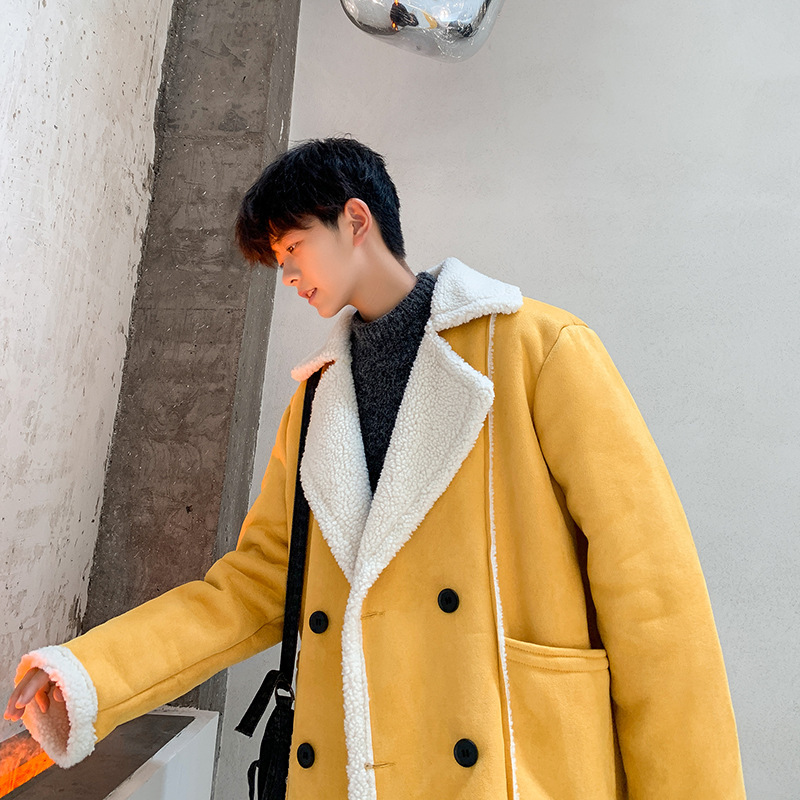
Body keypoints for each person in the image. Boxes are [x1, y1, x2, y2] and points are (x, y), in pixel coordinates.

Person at [5, 137, 746, 799]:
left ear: (356, 220)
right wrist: (89, 673)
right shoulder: (315, 402)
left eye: (294, 248)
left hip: (516, 765)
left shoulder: (536, 349)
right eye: (278, 261)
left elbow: (654, 599)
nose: (287, 275)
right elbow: (254, 585)